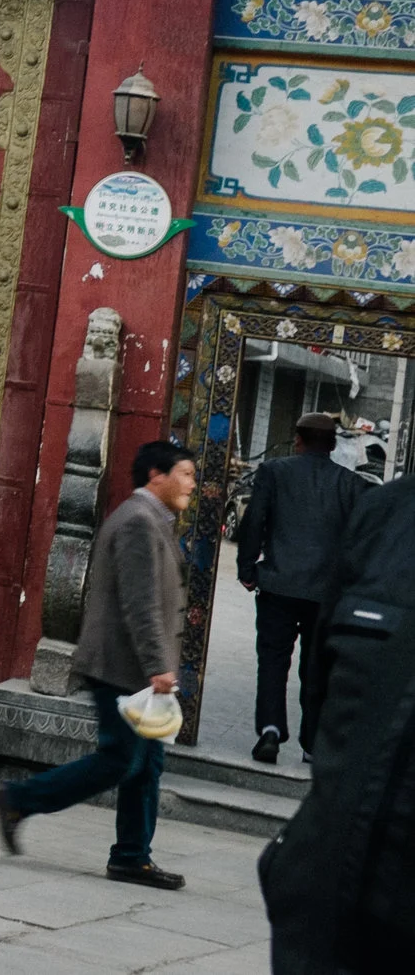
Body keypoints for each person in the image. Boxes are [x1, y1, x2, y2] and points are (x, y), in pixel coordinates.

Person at [0, 438, 195, 890]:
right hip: (122, 666)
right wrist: (158, 666)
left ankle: (131, 856)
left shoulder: (152, 520)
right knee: (119, 761)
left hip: (135, 667)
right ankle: (18, 799)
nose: (191, 484)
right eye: (184, 473)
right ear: (154, 476)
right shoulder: (139, 523)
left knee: (145, 764)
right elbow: (140, 605)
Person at [259, 469, 415, 972]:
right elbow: (325, 686)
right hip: (319, 925)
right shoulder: (387, 514)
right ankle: (276, 730)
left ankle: (271, 728)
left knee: (274, 663)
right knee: (283, 663)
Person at [234, 412, 366, 763]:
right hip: (326, 594)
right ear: (334, 445)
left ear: (298, 440)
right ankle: (312, 743)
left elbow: (253, 522)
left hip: (278, 585)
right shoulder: (350, 485)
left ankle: (271, 731)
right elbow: (358, 541)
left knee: (273, 660)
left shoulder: (274, 472)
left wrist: (247, 568)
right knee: (317, 666)